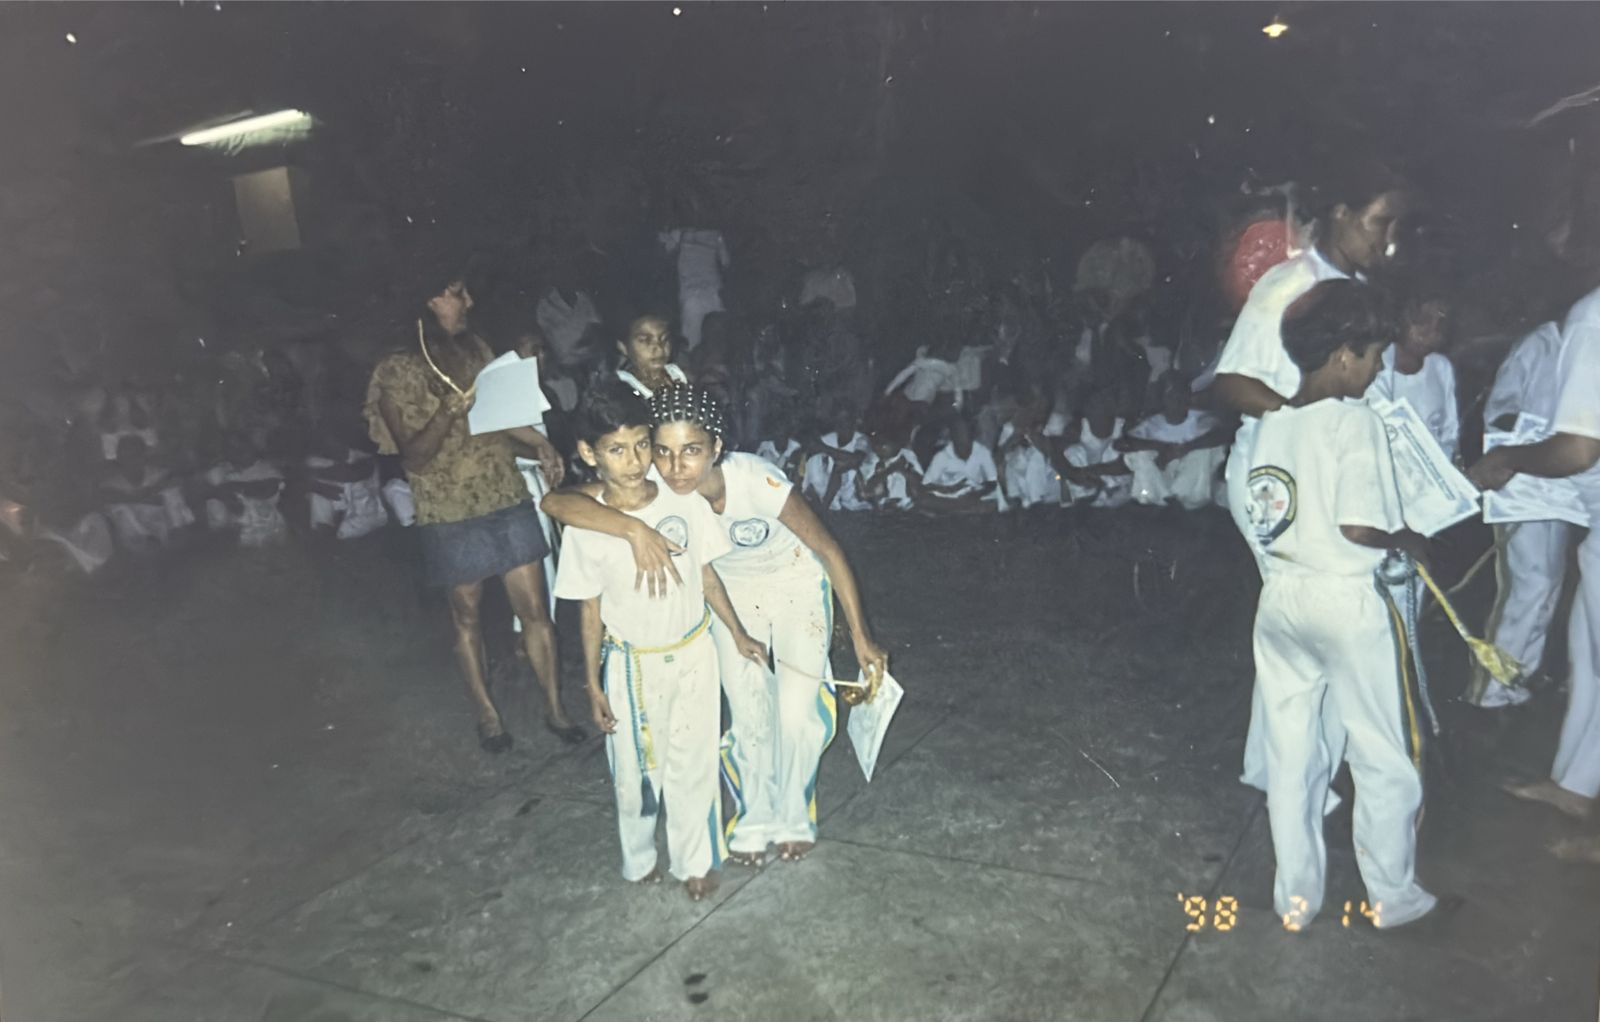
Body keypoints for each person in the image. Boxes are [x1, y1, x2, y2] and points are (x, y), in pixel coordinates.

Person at [545, 385, 890, 867]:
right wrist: (633, 528)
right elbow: (557, 503)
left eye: (691, 451)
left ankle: (794, 816)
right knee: (747, 711)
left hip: (796, 585)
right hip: (732, 596)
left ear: (717, 448)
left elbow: (829, 551)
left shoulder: (757, 480)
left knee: (793, 713)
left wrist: (860, 636)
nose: (675, 467)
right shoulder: (657, 484)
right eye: (662, 452)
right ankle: (754, 816)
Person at [1247, 280, 1438, 931]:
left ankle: (1294, 900)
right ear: (1343, 355)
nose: (1381, 366)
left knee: (1294, 754)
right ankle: (1393, 895)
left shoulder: (1271, 423)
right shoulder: (1356, 422)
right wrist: (1407, 536)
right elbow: (1359, 526)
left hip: (1280, 601)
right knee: (1382, 751)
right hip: (1344, 599)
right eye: (1376, 353)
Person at [1211, 162, 1407, 793]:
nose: (1391, 239)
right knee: (1319, 616)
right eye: (1382, 221)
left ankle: (1286, 773)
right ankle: (1298, 777)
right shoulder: (1290, 284)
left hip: (1336, 473)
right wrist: (1308, 421)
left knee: (1310, 623)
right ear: (1344, 214)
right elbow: (1234, 381)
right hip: (1284, 479)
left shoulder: (1356, 290)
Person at [549, 382, 766, 900]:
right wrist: (592, 682)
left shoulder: (678, 499)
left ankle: (694, 860)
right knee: (636, 775)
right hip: (632, 665)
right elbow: (590, 607)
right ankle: (639, 856)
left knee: (693, 762)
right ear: (588, 453)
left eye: (642, 445)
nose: (634, 461)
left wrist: (736, 632)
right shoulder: (588, 525)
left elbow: (706, 574)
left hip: (694, 650)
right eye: (616, 450)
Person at [365, 268, 579, 753]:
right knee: (467, 617)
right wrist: (447, 413)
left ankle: (556, 709)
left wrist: (540, 444)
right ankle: (488, 716)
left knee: (535, 612)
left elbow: (501, 422)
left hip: (505, 495)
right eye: (457, 293)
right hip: (450, 510)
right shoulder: (396, 369)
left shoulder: (478, 350)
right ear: (428, 298)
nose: (469, 301)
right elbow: (414, 457)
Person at [1471, 282, 1600, 824]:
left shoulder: (1592, 317)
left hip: (1570, 488)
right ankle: (1576, 782)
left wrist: (1509, 458)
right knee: (1588, 654)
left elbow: (1576, 448)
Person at [1473, 317, 1570, 707]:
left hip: (1561, 486)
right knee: (1527, 584)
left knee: (1548, 585)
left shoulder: (1582, 346)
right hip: (1521, 483)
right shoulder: (1537, 345)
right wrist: (1528, 441)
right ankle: (1491, 687)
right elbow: (1500, 409)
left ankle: (1518, 677)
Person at [1363, 292, 1460, 460]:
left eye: (1441, 325)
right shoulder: (1377, 362)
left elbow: (1450, 435)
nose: (1430, 332)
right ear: (1401, 316)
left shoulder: (1441, 367)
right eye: (1422, 320)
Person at [1118, 373, 1231, 510]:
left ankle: (1192, 502)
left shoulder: (1201, 419)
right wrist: (1160, 447)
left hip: (1188, 477)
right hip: (1163, 473)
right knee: (1140, 454)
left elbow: (1222, 434)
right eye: (1171, 395)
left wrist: (1186, 448)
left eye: (1182, 394)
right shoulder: (1151, 424)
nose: (1178, 400)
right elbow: (1122, 444)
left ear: (1188, 396)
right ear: (1163, 399)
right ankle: (1152, 502)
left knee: (1205, 451)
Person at [100, 435, 194, 554]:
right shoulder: (111, 483)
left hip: (162, 525)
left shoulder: (156, 473)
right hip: (137, 534)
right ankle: (149, 544)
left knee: (172, 494)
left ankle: (178, 536)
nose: (131, 461)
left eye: (135, 455)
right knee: (119, 509)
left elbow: (175, 480)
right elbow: (105, 496)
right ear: (119, 459)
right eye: (126, 457)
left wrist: (150, 492)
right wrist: (141, 497)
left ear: (143, 456)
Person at [202, 432, 288, 548]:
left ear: (251, 449)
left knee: (254, 504)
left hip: (263, 520)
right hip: (234, 520)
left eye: (240, 447)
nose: (237, 451)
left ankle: (248, 538)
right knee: (215, 481)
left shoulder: (265, 468)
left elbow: (267, 490)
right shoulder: (224, 470)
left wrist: (233, 488)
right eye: (231, 448)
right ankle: (223, 534)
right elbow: (207, 492)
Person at [660, 227, 729, 350]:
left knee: (714, 340)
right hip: (692, 295)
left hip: (710, 294)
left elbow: (725, 262)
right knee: (692, 341)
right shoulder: (679, 233)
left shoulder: (717, 234)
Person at [1060, 390, 1133, 508]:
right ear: (1086, 408)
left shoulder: (1124, 427)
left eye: (1107, 401)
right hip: (1086, 493)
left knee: (1119, 449)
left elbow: (1126, 466)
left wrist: (1093, 473)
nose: (1103, 406)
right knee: (1073, 452)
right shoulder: (1075, 430)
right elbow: (1063, 469)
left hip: (1116, 495)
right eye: (1096, 403)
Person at [919, 416, 1000, 513]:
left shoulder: (982, 452)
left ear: (972, 437)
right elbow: (926, 485)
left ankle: (959, 510)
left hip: (975, 496)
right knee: (927, 501)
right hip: (949, 497)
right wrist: (949, 489)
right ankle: (959, 510)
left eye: (967, 442)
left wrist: (976, 494)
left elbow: (992, 482)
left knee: (991, 502)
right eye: (960, 443)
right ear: (952, 438)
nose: (964, 449)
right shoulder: (942, 457)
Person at [800, 404, 872, 511]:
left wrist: (824, 448)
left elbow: (856, 459)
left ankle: (824, 507)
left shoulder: (861, 439)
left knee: (841, 465)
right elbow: (811, 448)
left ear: (854, 421)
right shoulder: (829, 438)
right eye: (838, 419)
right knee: (813, 459)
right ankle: (814, 497)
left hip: (854, 487)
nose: (841, 423)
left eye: (845, 419)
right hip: (829, 484)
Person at [614, 313, 690, 399]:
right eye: (644, 340)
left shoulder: (675, 374)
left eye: (664, 338)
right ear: (623, 347)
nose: (659, 348)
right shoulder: (621, 386)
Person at [857, 433, 924, 511]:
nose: (878, 447)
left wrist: (902, 470)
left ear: (896, 444)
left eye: (883, 444)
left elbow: (920, 483)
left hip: (908, 502)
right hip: (884, 503)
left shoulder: (906, 455)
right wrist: (892, 469)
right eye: (876, 444)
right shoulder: (874, 459)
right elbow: (867, 489)